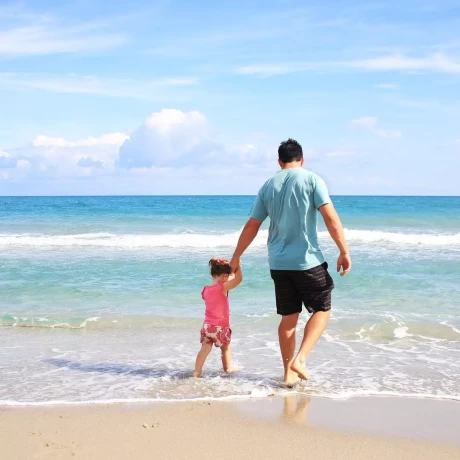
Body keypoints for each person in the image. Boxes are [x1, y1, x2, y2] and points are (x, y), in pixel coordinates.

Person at [229, 138, 351, 385]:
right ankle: (300, 359)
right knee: (322, 309)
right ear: (302, 159)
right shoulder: (312, 179)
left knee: (288, 318)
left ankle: (288, 374)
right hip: (307, 261)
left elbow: (252, 225)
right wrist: (344, 251)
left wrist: (236, 256)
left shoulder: (267, 186)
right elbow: (330, 217)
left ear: (279, 161)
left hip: (278, 263)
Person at [193, 257, 243, 377]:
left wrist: (231, 270)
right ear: (225, 276)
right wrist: (238, 266)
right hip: (220, 327)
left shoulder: (205, 290)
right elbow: (238, 279)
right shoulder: (223, 287)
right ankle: (227, 370)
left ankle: (196, 372)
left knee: (204, 349)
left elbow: (228, 279)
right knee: (225, 348)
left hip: (207, 327)